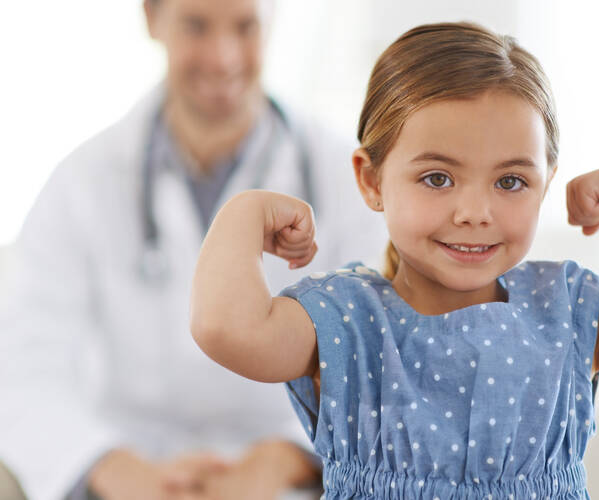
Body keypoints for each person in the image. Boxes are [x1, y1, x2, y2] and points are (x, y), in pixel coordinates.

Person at [190, 22, 599, 499]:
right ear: (371, 179)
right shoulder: (346, 323)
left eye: (511, 181)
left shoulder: (566, 315)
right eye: (438, 178)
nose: (475, 211)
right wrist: (242, 212)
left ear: (545, 184)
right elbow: (224, 328)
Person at [0, 0, 385, 499]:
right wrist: (111, 467)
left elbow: (381, 353)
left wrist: (288, 457)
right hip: (129, 470)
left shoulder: (343, 176)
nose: (223, 57)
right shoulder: (83, 181)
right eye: (197, 26)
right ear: (150, 18)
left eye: (245, 28)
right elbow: (24, 363)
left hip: (290, 478)